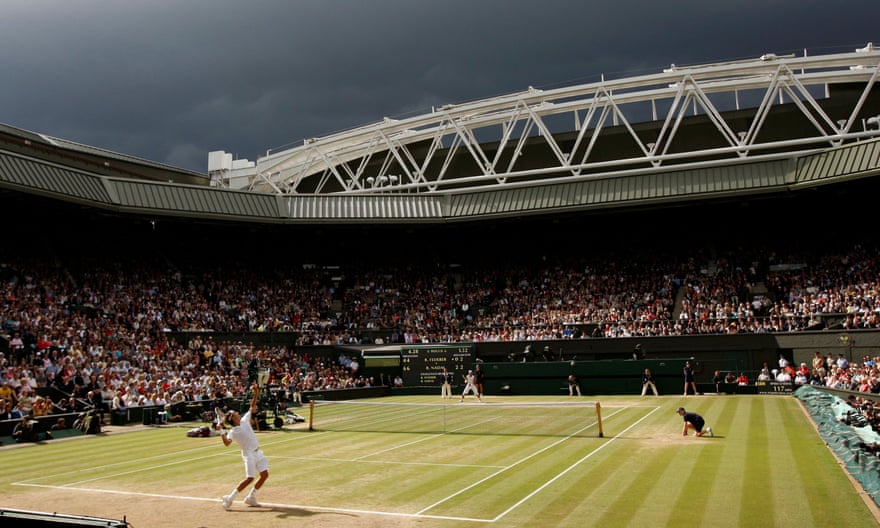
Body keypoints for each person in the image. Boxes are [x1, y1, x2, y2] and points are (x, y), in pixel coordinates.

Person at [220, 382, 269, 510]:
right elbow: (227, 443)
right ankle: (229, 499)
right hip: (249, 455)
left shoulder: (244, 420)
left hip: (258, 452)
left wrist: (256, 393)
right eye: (235, 413)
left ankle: (251, 497)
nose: (237, 412)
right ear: (233, 418)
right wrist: (221, 432)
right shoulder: (233, 431)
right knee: (250, 478)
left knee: (264, 474)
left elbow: (252, 406)